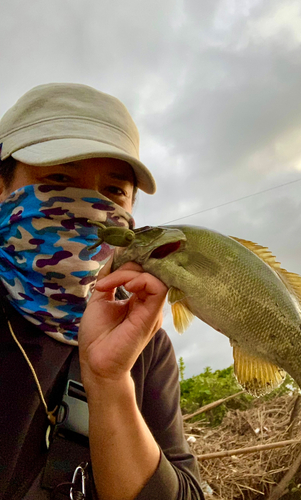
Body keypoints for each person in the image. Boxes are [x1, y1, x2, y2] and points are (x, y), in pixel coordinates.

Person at [0, 83, 204, 500]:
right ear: (2, 188)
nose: (89, 207)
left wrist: (109, 384)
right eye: (58, 177)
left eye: (112, 191)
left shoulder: (145, 346)